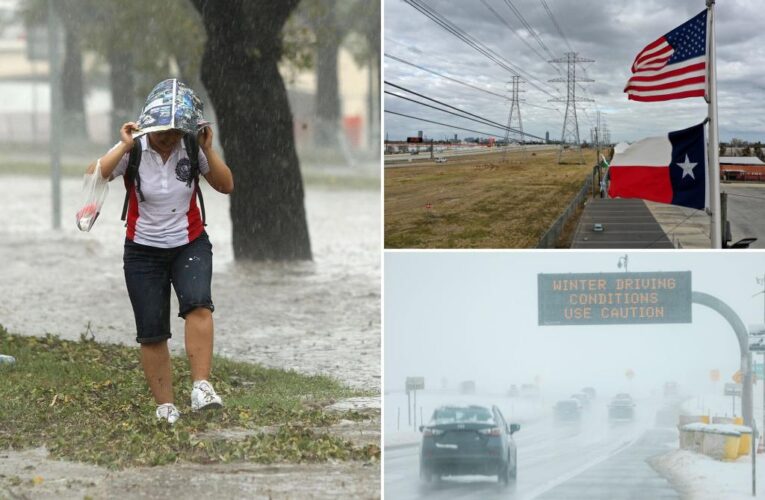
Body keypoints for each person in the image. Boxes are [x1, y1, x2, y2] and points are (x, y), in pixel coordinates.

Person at [86, 81, 234, 424]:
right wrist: (122, 147)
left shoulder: (192, 146)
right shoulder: (134, 147)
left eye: (174, 132)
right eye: (161, 132)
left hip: (189, 243)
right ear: (148, 126)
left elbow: (226, 185)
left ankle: (201, 387)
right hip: (142, 251)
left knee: (198, 303)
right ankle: (165, 406)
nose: (167, 138)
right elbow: (94, 176)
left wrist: (209, 151)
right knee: (152, 330)